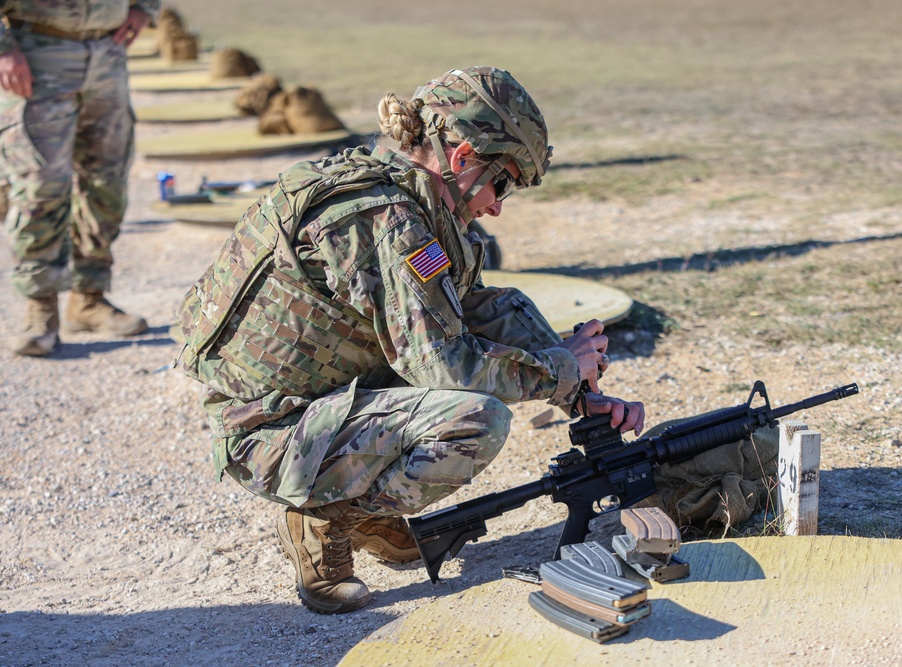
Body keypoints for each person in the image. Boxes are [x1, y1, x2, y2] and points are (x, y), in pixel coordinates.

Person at [175, 66, 645, 615]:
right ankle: (326, 514)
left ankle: (359, 502)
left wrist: (579, 393)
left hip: (324, 401)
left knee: (502, 305)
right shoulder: (383, 219)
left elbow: (474, 310)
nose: (496, 206)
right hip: (272, 431)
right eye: (503, 183)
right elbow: (447, 367)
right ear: (463, 157)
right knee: (475, 420)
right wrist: (560, 366)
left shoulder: (413, 203)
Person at [0, 1, 156, 357]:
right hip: (37, 54)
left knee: (107, 182)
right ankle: (40, 307)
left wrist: (147, 7)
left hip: (107, 54)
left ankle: (89, 298)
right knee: (40, 185)